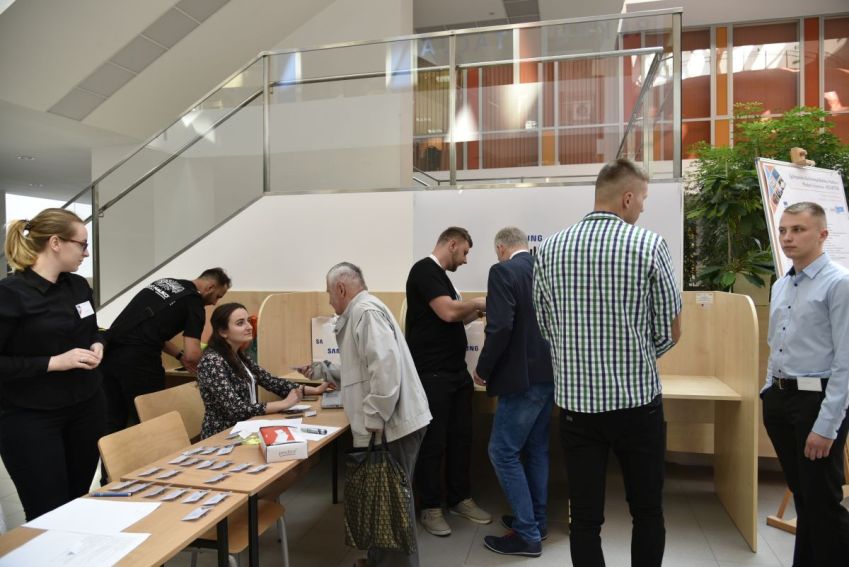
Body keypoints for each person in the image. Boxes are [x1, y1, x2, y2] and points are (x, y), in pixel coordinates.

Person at [533, 158, 681, 567]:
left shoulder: (550, 249)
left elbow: (546, 326)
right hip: (638, 404)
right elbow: (670, 329)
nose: (644, 207)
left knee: (583, 518)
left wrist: (579, 357)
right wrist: (635, 355)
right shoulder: (649, 245)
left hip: (577, 408)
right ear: (627, 198)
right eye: (643, 199)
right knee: (647, 510)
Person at [307, 262, 431, 567]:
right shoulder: (363, 311)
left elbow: (385, 369)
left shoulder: (365, 312)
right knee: (381, 498)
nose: (329, 301)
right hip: (391, 423)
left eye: (329, 293)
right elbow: (363, 366)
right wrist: (325, 371)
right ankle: (378, 561)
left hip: (392, 425)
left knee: (391, 503)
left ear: (340, 288)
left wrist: (374, 417)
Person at [0, 208, 106, 520]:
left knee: (76, 501)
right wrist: (53, 363)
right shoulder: (10, 294)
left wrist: (99, 343)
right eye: (82, 244)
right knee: (47, 510)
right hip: (31, 416)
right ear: (56, 243)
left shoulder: (78, 286)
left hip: (86, 406)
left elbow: (93, 330)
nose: (86, 253)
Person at [762, 201, 849, 566]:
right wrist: (767, 392)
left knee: (823, 502)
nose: (787, 237)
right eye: (783, 230)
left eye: (798, 229)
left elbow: (846, 362)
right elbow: (776, 344)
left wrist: (827, 426)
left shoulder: (839, 283)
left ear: (823, 234)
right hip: (781, 400)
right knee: (804, 497)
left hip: (817, 403)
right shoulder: (782, 284)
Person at [473, 227, 553, 557]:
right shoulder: (546, 270)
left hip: (520, 379)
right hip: (549, 375)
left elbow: (501, 325)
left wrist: (483, 368)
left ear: (502, 248)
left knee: (502, 452)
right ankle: (537, 521)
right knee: (536, 450)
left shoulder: (503, 271)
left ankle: (527, 534)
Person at [405, 226, 490, 536]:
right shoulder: (424, 270)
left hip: (455, 374)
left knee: (461, 439)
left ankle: (459, 499)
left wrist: (475, 312)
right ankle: (430, 507)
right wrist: (478, 302)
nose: (465, 259)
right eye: (465, 252)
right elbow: (448, 313)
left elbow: (457, 317)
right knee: (433, 443)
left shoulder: (443, 278)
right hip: (433, 375)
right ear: (452, 244)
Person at [101, 268, 231, 434]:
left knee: (112, 421)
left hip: (109, 355)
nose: (214, 303)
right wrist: (212, 368)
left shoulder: (164, 283)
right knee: (152, 423)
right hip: (139, 364)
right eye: (218, 296)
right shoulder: (194, 303)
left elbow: (151, 332)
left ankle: (110, 453)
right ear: (210, 287)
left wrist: (179, 356)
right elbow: (192, 354)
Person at [196, 302, 331, 439]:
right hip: (223, 435)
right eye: (240, 323)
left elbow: (271, 382)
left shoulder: (238, 356)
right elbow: (236, 409)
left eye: (248, 321)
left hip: (246, 429)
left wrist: (314, 390)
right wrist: (284, 404)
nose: (249, 327)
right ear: (222, 332)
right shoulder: (212, 361)